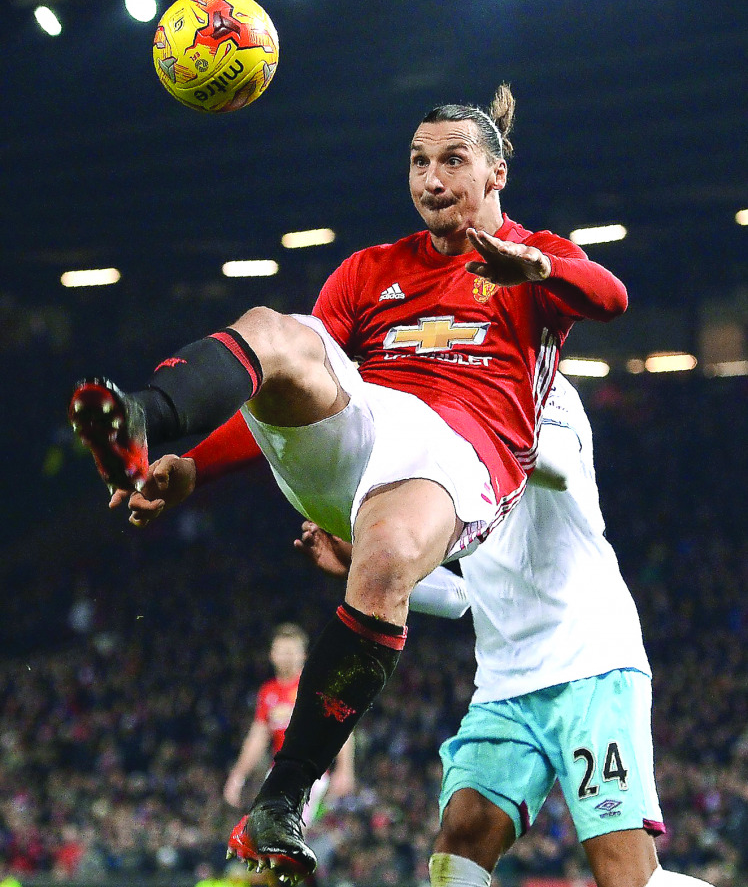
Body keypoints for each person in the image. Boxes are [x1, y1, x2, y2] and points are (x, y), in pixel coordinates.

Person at [68, 85, 627, 881]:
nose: (431, 179)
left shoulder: (535, 255)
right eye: (418, 162)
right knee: (275, 331)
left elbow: (613, 297)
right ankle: (145, 417)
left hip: (462, 456)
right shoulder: (371, 270)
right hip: (365, 424)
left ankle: (282, 801)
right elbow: (285, 379)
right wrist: (194, 468)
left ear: (496, 174)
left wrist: (534, 266)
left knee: (390, 555)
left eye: (452, 162)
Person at [299, 374, 716, 887]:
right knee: (461, 835)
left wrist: (468, 421)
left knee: (624, 875)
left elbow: (558, 469)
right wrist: (360, 562)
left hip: (590, 664)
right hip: (505, 686)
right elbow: (459, 597)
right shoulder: (448, 438)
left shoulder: (545, 387)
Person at [223, 622, 355, 821]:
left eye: (292, 651)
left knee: (286, 833)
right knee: (269, 835)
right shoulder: (268, 692)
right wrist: (238, 775)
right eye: (282, 651)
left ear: (303, 655)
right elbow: (258, 736)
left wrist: (345, 769)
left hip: (310, 775)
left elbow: (340, 726)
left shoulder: (317, 686)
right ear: (272, 654)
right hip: (277, 774)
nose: (286, 656)